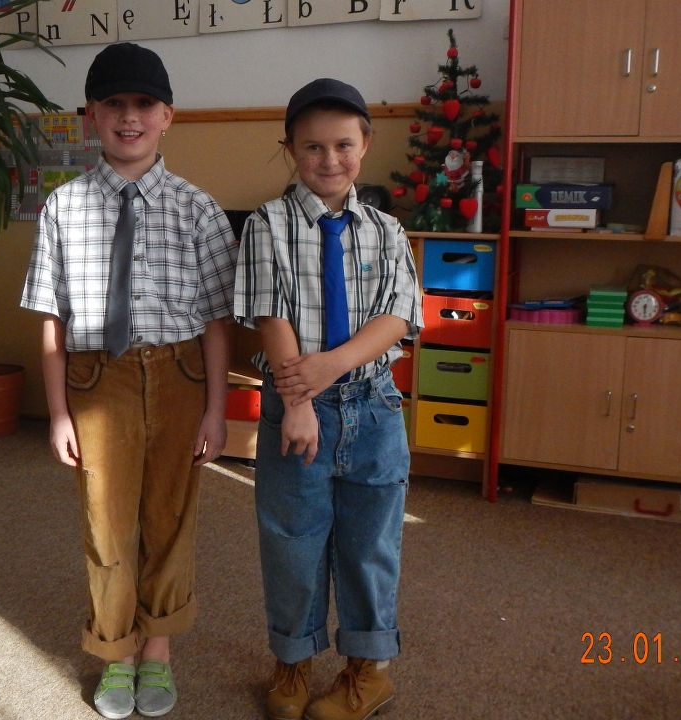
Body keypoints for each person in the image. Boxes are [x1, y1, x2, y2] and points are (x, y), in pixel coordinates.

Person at [20, 42, 238, 719]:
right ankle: (115, 651)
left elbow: (217, 323)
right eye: (113, 103)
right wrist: (58, 412)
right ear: (91, 114)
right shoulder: (63, 208)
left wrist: (216, 410)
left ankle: (158, 651)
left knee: (170, 518)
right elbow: (52, 320)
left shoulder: (199, 210)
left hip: (179, 374)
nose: (129, 117)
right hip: (98, 379)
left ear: (168, 115)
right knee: (106, 523)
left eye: (144, 104)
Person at [233, 78, 422, 720]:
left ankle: (370, 670)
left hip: (374, 408)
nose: (329, 159)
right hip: (297, 409)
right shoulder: (267, 224)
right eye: (312, 147)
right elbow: (272, 315)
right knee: (293, 539)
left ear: (364, 145)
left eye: (343, 145)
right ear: (290, 150)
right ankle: (293, 660)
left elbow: (398, 316)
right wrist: (301, 401)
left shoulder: (387, 230)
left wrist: (331, 366)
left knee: (371, 544)